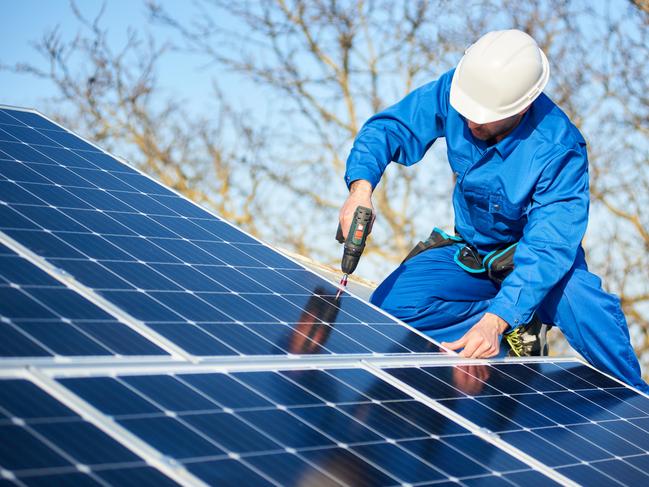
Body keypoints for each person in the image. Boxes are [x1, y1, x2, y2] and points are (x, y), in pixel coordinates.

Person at [338, 29, 648, 392]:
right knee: (389, 308)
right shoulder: (459, 89)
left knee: (590, 313)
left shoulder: (559, 149)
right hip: (473, 255)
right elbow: (391, 128)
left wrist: (498, 317)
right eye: (466, 113)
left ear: (521, 107)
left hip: (533, 264)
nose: (471, 123)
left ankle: (638, 406)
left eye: (484, 118)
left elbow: (548, 248)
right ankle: (516, 326)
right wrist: (361, 189)